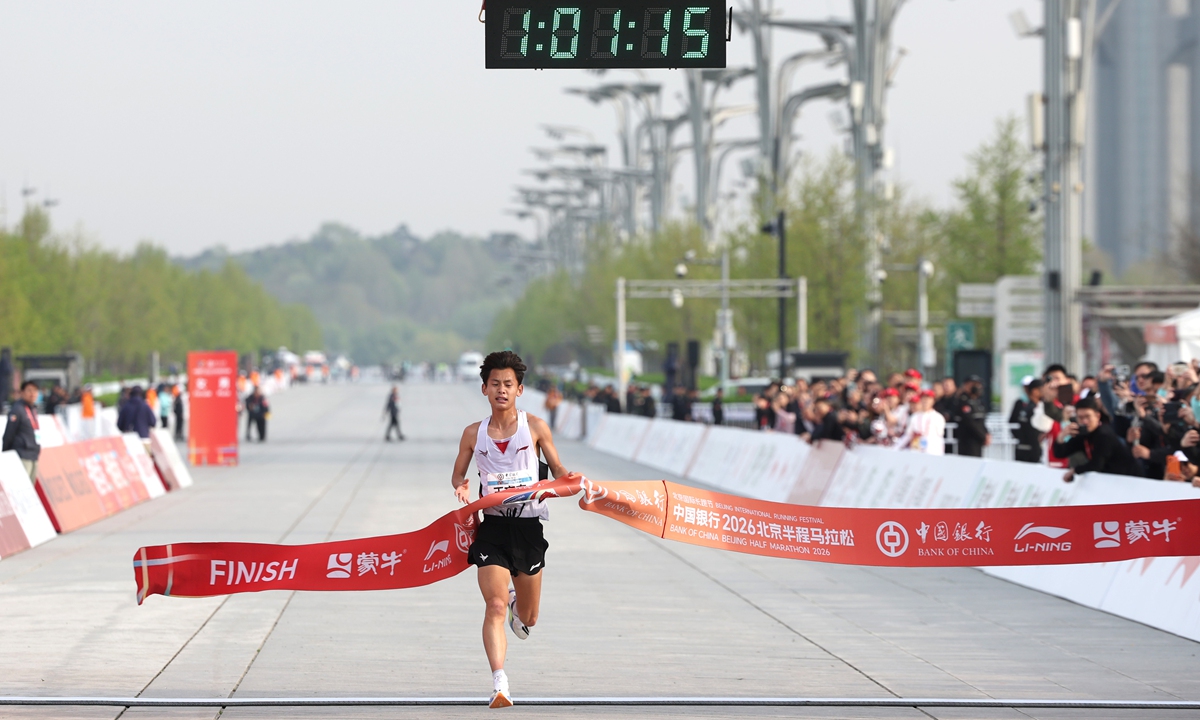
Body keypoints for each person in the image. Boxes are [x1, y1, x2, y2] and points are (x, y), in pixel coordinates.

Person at [449, 351, 576, 708]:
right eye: (495, 384)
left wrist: (569, 484)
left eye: (508, 384)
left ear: (519, 390)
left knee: (528, 617)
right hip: (492, 531)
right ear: (484, 389)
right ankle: (499, 683)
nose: (501, 390)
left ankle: (520, 602)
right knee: (494, 604)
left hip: (528, 530)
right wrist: (461, 487)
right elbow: (458, 473)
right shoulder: (473, 435)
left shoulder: (534, 427)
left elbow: (561, 473)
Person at [1056, 397, 1141, 481]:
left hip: (1129, 478)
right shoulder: (1083, 433)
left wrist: (1075, 470)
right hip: (1110, 479)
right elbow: (1060, 453)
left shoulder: (1104, 434)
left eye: (1088, 417)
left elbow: (1096, 465)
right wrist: (1062, 436)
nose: (1084, 421)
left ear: (1097, 416)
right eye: (1080, 418)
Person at [3, 381, 42, 481]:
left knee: (31, 489)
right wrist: (6, 453)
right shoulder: (17, 410)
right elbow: (9, 433)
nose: (32, 394)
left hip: (33, 454)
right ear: (22, 392)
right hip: (22, 454)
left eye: (35, 391)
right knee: (23, 487)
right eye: (29, 390)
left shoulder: (33, 409)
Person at [1010, 377, 1049, 463]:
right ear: (1034, 391)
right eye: (1042, 389)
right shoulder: (1029, 408)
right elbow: (1014, 425)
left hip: (1032, 449)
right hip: (1030, 450)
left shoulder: (1041, 407)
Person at [897, 390, 946, 455]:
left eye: (928, 399)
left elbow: (939, 437)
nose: (926, 401)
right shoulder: (914, 416)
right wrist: (895, 448)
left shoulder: (938, 417)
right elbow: (908, 435)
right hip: (917, 450)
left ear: (933, 401)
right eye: (924, 398)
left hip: (932, 451)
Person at [952, 375, 990, 457]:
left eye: (978, 384)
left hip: (978, 440)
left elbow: (981, 421)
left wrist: (987, 433)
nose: (977, 387)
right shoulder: (963, 401)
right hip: (968, 441)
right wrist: (983, 436)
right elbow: (970, 422)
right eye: (974, 384)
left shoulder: (978, 402)